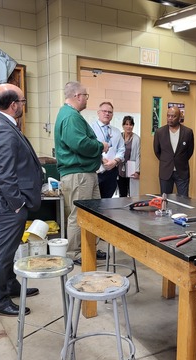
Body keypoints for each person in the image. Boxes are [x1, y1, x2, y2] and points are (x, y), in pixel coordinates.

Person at [0, 83, 43, 317]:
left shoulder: (3, 124)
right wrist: (17, 204)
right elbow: (6, 174)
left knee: (9, 248)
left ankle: (9, 285)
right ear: (13, 104)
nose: (23, 106)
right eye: (23, 102)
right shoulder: (2, 129)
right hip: (9, 204)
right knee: (3, 252)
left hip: (9, 201)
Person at [54, 81, 109, 264]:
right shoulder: (70, 116)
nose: (86, 98)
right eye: (86, 95)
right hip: (78, 175)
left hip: (86, 173)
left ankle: (90, 248)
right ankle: (75, 253)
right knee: (79, 215)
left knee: (93, 214)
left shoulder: (72, 115)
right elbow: (80, 144)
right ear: (77, 96)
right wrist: (100, 146)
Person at [153, 105, 194, 197]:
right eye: (168, 116)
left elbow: (190, 151)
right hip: (166, 170)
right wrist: (167, 160)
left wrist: (180, 159)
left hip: (182, 171)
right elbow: (157, 151)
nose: (170, 118)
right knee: (165, 200)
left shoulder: (188, 132)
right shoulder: (160, 132)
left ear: (180, 118)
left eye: (173, 116)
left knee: (184, 200)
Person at [91, 102, 125, 198]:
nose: (107, 114)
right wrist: (101, 159)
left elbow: (122, 149)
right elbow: (89, 148)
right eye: (104, 111)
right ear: (98, 112)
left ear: (112, 115)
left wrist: (115, 161)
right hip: (96, 171)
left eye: (110, 112)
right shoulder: (91, 129)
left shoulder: (116, 131)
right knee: (95, 202)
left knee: (107, 202)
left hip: (112, 172)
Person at [117, 115, 141, 197]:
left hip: (131, 169)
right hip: (120, 169)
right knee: (122, 193)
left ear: (133, 126)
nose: (128, 126)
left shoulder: (137, 139)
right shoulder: (119, 136)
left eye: (130, 124)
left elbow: (138, 155)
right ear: (123, 125)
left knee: (132, 194)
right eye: (126, 124)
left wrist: (137, 171)